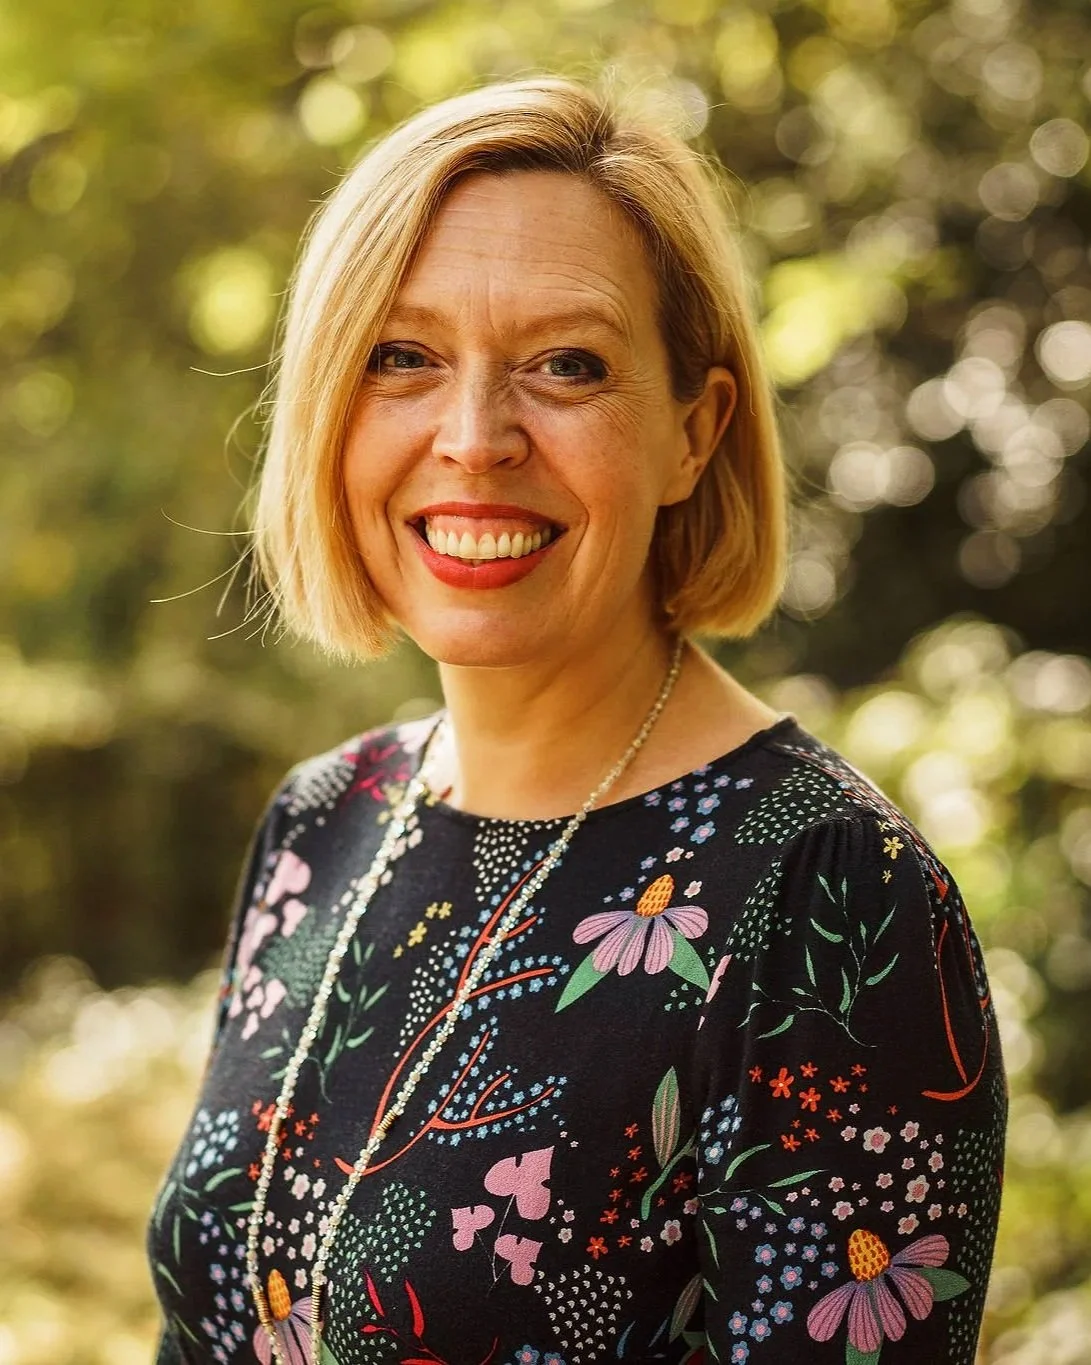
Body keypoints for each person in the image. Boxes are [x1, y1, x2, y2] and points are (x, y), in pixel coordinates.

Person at [146, 74, 1006, 1365]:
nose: (474, 438)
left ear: (692, 434)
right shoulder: (326, 819)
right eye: (401, 357)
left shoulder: (831, 894)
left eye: (567, 365)